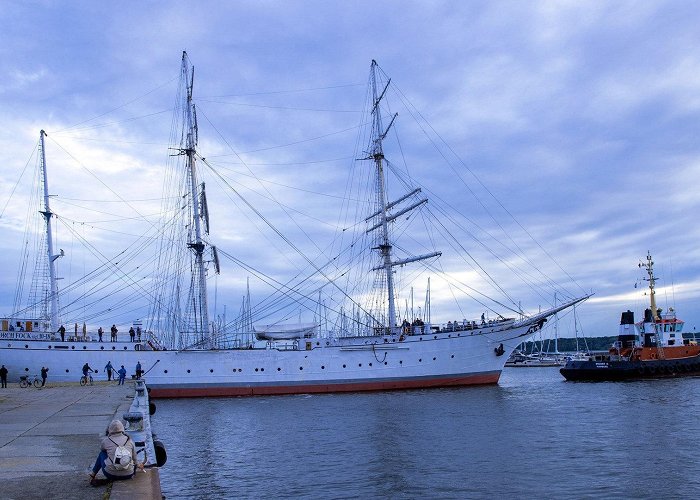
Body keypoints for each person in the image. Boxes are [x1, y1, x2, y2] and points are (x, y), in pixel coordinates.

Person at [89, 419, 144, 486]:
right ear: (122, 428)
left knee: (102, 453)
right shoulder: (129, 440)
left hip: (110, 474)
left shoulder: (106, 441)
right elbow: (134, 457)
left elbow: (102, 449)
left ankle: (93, 474)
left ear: (110, 429)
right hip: (129, 474)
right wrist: (138, 464)